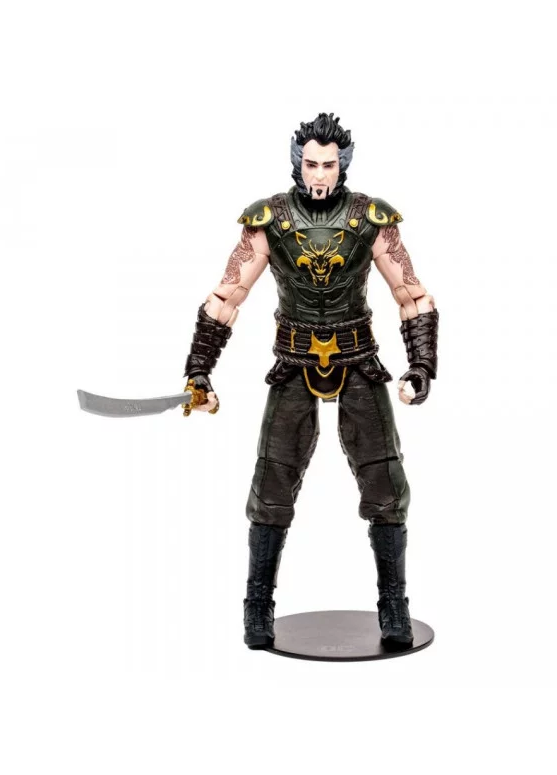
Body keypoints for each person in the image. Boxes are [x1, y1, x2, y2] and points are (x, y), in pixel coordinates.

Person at [182, 113, 439, 650]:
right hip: (294, 360)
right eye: (311, 163)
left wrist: (421, 365)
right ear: (297, 163)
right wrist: (199, 369)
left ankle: (394, 604)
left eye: (329, 165)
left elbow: (412, 295)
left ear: (342, 166)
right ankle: (257, 605)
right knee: (272, 485)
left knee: (385, 484)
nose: (319, 174)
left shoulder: (371, 217)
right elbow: (226, 297)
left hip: (358, 357)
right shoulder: (268, 220)